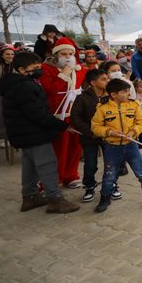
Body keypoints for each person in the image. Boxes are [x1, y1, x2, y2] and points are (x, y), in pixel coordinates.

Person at [0, 52, 80, 214]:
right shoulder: (23, 87)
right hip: (33, 133)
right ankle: (55, 199)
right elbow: (38, 114)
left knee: (30, 166)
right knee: (47, 164)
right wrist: (62, 125)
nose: (39, 70)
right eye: (34, 68)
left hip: (23, 133)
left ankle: (30, 197)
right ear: (21, 69)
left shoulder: (18, 83)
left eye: (39, 66)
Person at [91, 79, 142, 213]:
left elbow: (141, 121)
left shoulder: (134, 105)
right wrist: (109, 132)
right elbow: (95, 127)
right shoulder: (103, 108)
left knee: (141, 172)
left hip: (131, 145)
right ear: (113, 95)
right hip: (112, 147)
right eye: (124, 92)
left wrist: (134, 131)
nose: (128, 94)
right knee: (109, 174)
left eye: (128, 91)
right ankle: (105, 198)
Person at [70, 69, 123, 203]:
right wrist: (91, 131)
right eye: (103, 79)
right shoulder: (82, 97)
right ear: (93, 82)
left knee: (111, 163)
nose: (107, 81)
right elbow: (75, 118)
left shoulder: (112, 96)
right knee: (90, 164)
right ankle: (89, 186)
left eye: (107, 78)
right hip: (89, 137)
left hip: (109, 137)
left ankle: (112, 185)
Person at [40, 37, 87, 188]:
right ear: (56, 55)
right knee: (58, 149)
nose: (67, 57)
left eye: (70, 54)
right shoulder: (47, 68)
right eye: (63, 54)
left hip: (75, 115)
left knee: (75, 147)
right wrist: (64, 74)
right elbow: (50, 90)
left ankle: (71, 175)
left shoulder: (80, 70)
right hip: (57, 116)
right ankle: (55, 179)